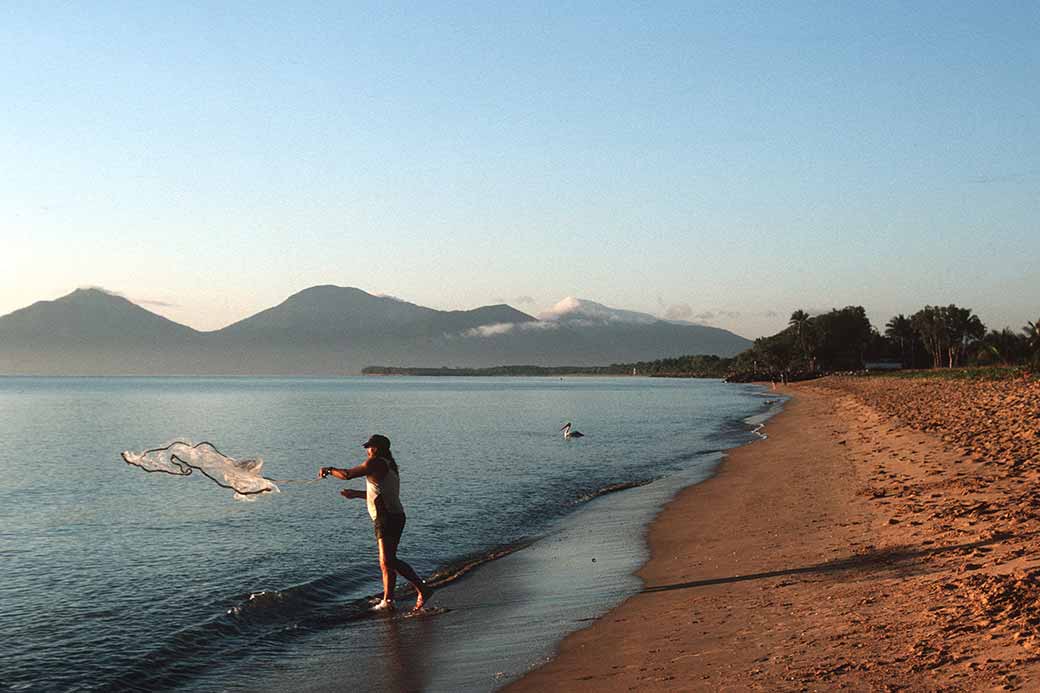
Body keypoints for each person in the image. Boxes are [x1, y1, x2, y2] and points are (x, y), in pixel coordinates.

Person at [318, 434, 430, 612]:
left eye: (370, 447)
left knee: (388, 560)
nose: (367, 450)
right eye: (367, 447)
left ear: (377, 449)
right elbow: (381, 492)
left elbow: (347, 475)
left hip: (386, 518)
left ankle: (422, 589)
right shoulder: (388, 464)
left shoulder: (375, 463)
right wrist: (357, 494)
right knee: (386, 562)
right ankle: (388, 599)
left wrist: (330, 470)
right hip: (394, 515)